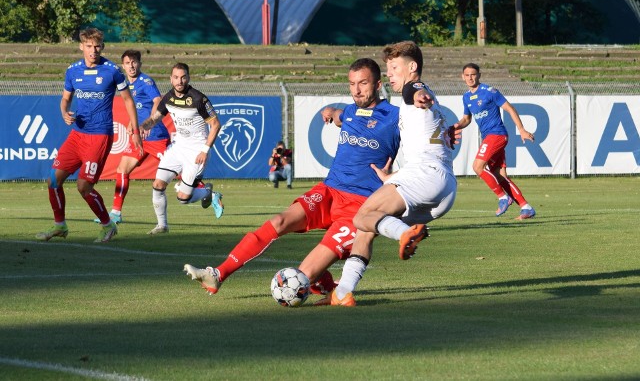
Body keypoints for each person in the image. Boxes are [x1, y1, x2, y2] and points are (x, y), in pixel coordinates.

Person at [183, 58, 402, 296]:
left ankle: (327, 285)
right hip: (329, 192)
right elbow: (339, 115)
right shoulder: (350, 111)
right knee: (279, 222)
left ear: (378, 84)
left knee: (303, 277)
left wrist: (445, 134)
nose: (356, 90)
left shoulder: (396, 117)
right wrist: (329, 112)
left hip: (360, 207)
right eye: (351, 84)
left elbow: (427, 147)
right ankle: (217, 274)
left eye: (363, 83)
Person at [331, 40, 458, 307]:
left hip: (424, 176)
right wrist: (392, 176)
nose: (389, 74)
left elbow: (416, 88)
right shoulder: (423, 103)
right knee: (367, 228)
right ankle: (342, 293)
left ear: (412, 67)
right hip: (443, 187)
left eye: (394, 67)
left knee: (362, 216)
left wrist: (418, 92)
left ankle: (404, 233)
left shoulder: (414, 91)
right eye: (388, 68)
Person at [36, 27, 142, 243]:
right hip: (77, 134)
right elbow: (65, 99)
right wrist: (64, 112)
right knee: (53, 181)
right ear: (81, 46)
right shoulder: (73, 71)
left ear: (102, 47)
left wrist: (136, 130)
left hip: (99, 135)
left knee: (84, 186)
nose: (93, 50)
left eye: (97, 46)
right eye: (89, 46)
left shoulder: (112, 70)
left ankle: (108, 225)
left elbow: (128, 100)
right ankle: (60, 225)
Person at [140, 62, 224, 236]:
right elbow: (155, 118)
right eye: (176, 77)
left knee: (183, 199)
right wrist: (143, 126)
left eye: (183, 77)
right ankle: (162, 225)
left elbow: (215, 125)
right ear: (171, 79)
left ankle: (209, 192)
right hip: (178, 147)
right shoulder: (168, 98)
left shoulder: (198, 98)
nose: (180, 81)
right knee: (158, 185)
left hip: (196, 151)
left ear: (188, 78)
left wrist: (205, 150)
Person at [93, 49, 170, 224]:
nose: (131, 66)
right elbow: (138, 107)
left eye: (134, 62)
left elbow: (158, 101)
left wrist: (150, 122)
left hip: (155, 136)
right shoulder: (127, 84)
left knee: (179, 172)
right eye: (127, 63)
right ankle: (115, 213)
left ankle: (208, 193)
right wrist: (132, 123)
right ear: (123, 66)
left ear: (140, 64)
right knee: (122, 170)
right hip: (140, 137)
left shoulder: (146, 81)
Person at [455, 62, 535, 220]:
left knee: (477, 166)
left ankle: (502, 197)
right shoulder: (466, 97)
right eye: (467, 75)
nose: (470, 78)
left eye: (473, 74)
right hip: (489, 137)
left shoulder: (490, 91)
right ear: (462, 77)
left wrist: (521, 129)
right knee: (500, 176)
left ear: (479, 75)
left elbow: (510, 108)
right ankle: (526, 208)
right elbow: (466, 119)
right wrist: (456, 126)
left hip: (497, 134)